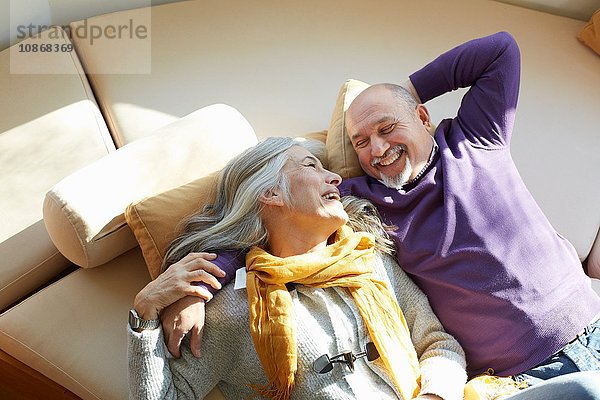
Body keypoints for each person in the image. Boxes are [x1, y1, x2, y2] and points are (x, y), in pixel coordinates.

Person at [160, 32, 600, 394]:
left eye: (388, 128)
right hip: (523, 379)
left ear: (423, 118)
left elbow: (501, 50)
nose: (378, 149)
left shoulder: (476, 138)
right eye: (361, 141)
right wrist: (196, 287)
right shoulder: (356, 199)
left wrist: (402, 93)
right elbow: (262, 225)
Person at [128, 137, 468, 400]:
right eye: (311, 166)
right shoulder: (232, 311)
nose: (334, 177)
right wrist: (145, 313)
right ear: (272, 192)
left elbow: (437, 343)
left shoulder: (371, 261)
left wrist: (434, 395)